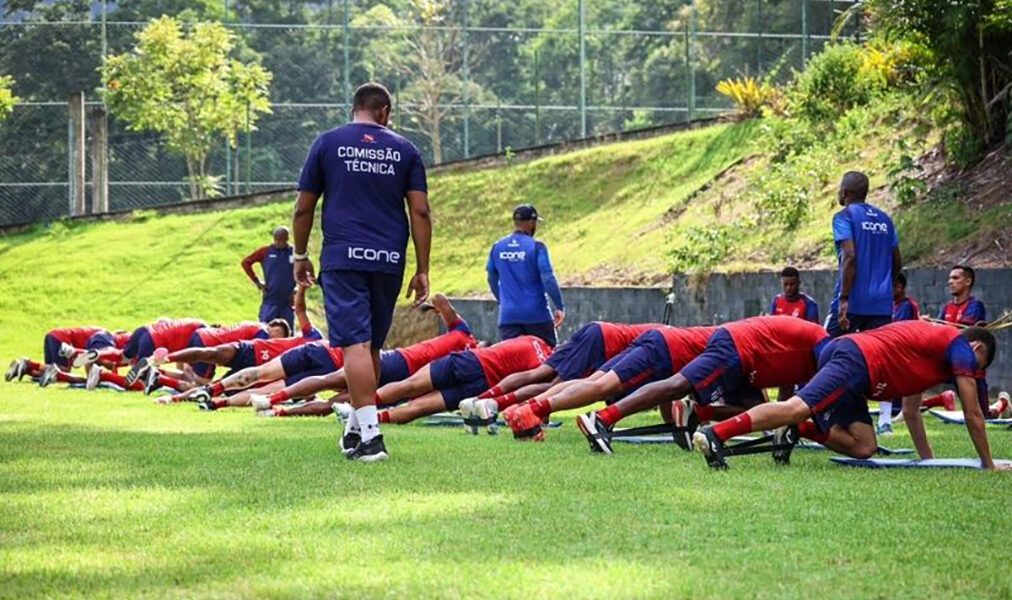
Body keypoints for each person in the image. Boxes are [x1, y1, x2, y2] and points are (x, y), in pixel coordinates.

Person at [293, 81, 430, 462]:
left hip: (343, 258)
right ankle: (355, 430)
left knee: (355, 344)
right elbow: (420, 211)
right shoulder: (406, 150)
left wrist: (300, 254)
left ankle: (371, 437)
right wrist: (423, 268)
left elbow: (303, 208)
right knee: (370, 346)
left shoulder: (327, 143)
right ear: (384, 112)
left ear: (355, 109)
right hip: (388, 260)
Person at [693, 321, 1009, 471]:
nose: (970, 375)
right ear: (976, 349)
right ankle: (716, 433)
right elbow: (973, 414)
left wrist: (929, 461)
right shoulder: (959, 348)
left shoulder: (933, 360)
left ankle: (799, 430)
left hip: (859, 371)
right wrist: (988, 463)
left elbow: (912, 413)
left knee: (865, 446)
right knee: (795, 407)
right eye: (977, 368)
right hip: (855, 357)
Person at [576, 316, 829, 455]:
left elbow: (788, 396)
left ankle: (697, 413)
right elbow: (815, 395)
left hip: (746, 356)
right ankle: (604, 417)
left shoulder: (816, 351)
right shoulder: (825, 347)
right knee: (678, 384)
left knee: (757, 410)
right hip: (737, 346)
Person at [249, 294, 478, 417]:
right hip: (404, 372)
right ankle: (274, 406)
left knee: (335, 391)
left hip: (403, 368)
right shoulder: (468, 343)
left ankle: (275, 407)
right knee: (335, 392)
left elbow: (439, 298)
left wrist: (435, 306)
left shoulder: (463, 335)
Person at [498, 325, 716, 442]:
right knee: (599, 387)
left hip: (655, 340)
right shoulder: (734, 348)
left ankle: (524, 408)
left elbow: (666, 394)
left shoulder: (717, 334)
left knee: (590, 382)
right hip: (661, 348)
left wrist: (675, 428)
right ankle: (531, 410)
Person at [459, 322, 661, 428]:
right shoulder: (668, 341)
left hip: (596, 329)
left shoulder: (664, 331)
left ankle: (479, 400)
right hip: (603, 342)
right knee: (556, 386)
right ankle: (502, 407)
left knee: (540, 373)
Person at [134, 286, 322, 394]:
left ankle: (157, 366)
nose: (276, 339)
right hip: (225, 346)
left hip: (208, 338)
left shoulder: (256, 326)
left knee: (194, 372)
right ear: (273, 328)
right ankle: (160, 378)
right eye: (278, 335)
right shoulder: (264, 334)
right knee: (200, 383)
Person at [348, 336, 550, 431]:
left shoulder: (536, 340)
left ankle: (358, 409)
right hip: (482, 385)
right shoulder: (547, 372)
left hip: (473, 361)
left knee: (409, 386)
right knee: (419, 407)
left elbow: (501, 346)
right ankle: (371, 419)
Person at [827, 171, 901, 338]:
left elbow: (850, 256)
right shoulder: (885, 219)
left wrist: (844, 298)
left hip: (853, 301)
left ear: (844, 192)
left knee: (828, 346)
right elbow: (896, 262)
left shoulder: (844, 217)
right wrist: (886, 289)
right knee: (876, 354)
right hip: (881, 304)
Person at [487, 204, 565, 347]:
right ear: (531, 223)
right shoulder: (537, 247)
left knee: (511, 360)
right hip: (537, 315)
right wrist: (559, 306)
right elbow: (548, 278)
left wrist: (503, 301)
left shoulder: (497, 247)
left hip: (508, 316)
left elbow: (491, 278)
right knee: (548, 360)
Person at [876, 271, 921, 435]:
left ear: (899, 287)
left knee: (894, 388)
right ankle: (884, 421)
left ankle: (885, 422)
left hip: (905, 354)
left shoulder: (906, 305)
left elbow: (897, 331)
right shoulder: (892, 305)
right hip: (896, 351)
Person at [242, 226, 298, 327]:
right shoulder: (266, 251)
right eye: (276, 240)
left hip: (287, 302)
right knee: (265, 330)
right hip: (270, 300)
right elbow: (246, 262)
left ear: (287, 239)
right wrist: (257, 281)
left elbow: (304, 270)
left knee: (287, 333)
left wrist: (297, 288)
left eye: (281, 240)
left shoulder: (294, 252)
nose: (278, 243)